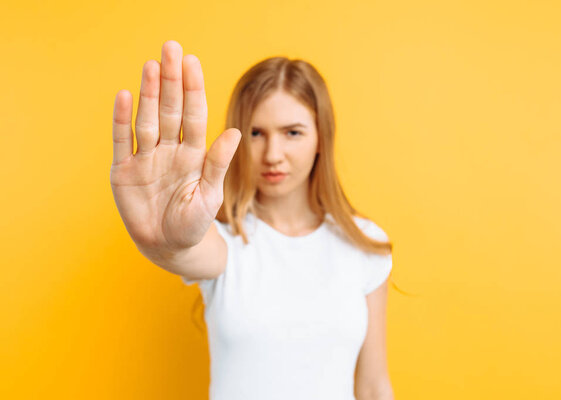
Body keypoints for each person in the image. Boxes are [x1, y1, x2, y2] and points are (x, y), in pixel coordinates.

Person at [110, 40, 395, 400]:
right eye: (256, 134)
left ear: (322, 136)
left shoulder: (364, 244)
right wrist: (160, 239)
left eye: (292, 132)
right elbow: (181, 250)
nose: (273, 155)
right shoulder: (223, 240)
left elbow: (373, 386)